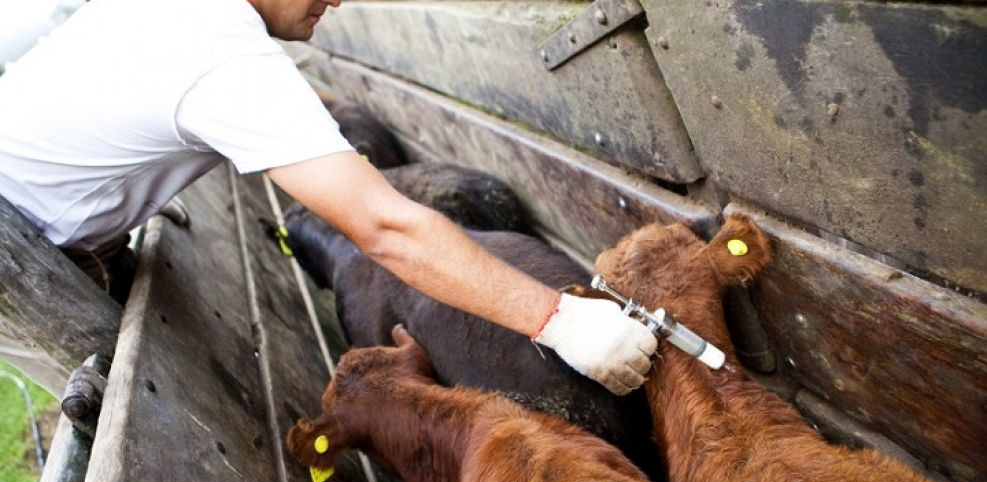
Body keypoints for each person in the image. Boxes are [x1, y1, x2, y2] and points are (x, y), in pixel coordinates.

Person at [0, 0, 658, 396]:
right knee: (91, 385)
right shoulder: (219, 56)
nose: (339, 1)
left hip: (36, 213)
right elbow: (385, 228)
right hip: (19, 265)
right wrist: (559, 321)